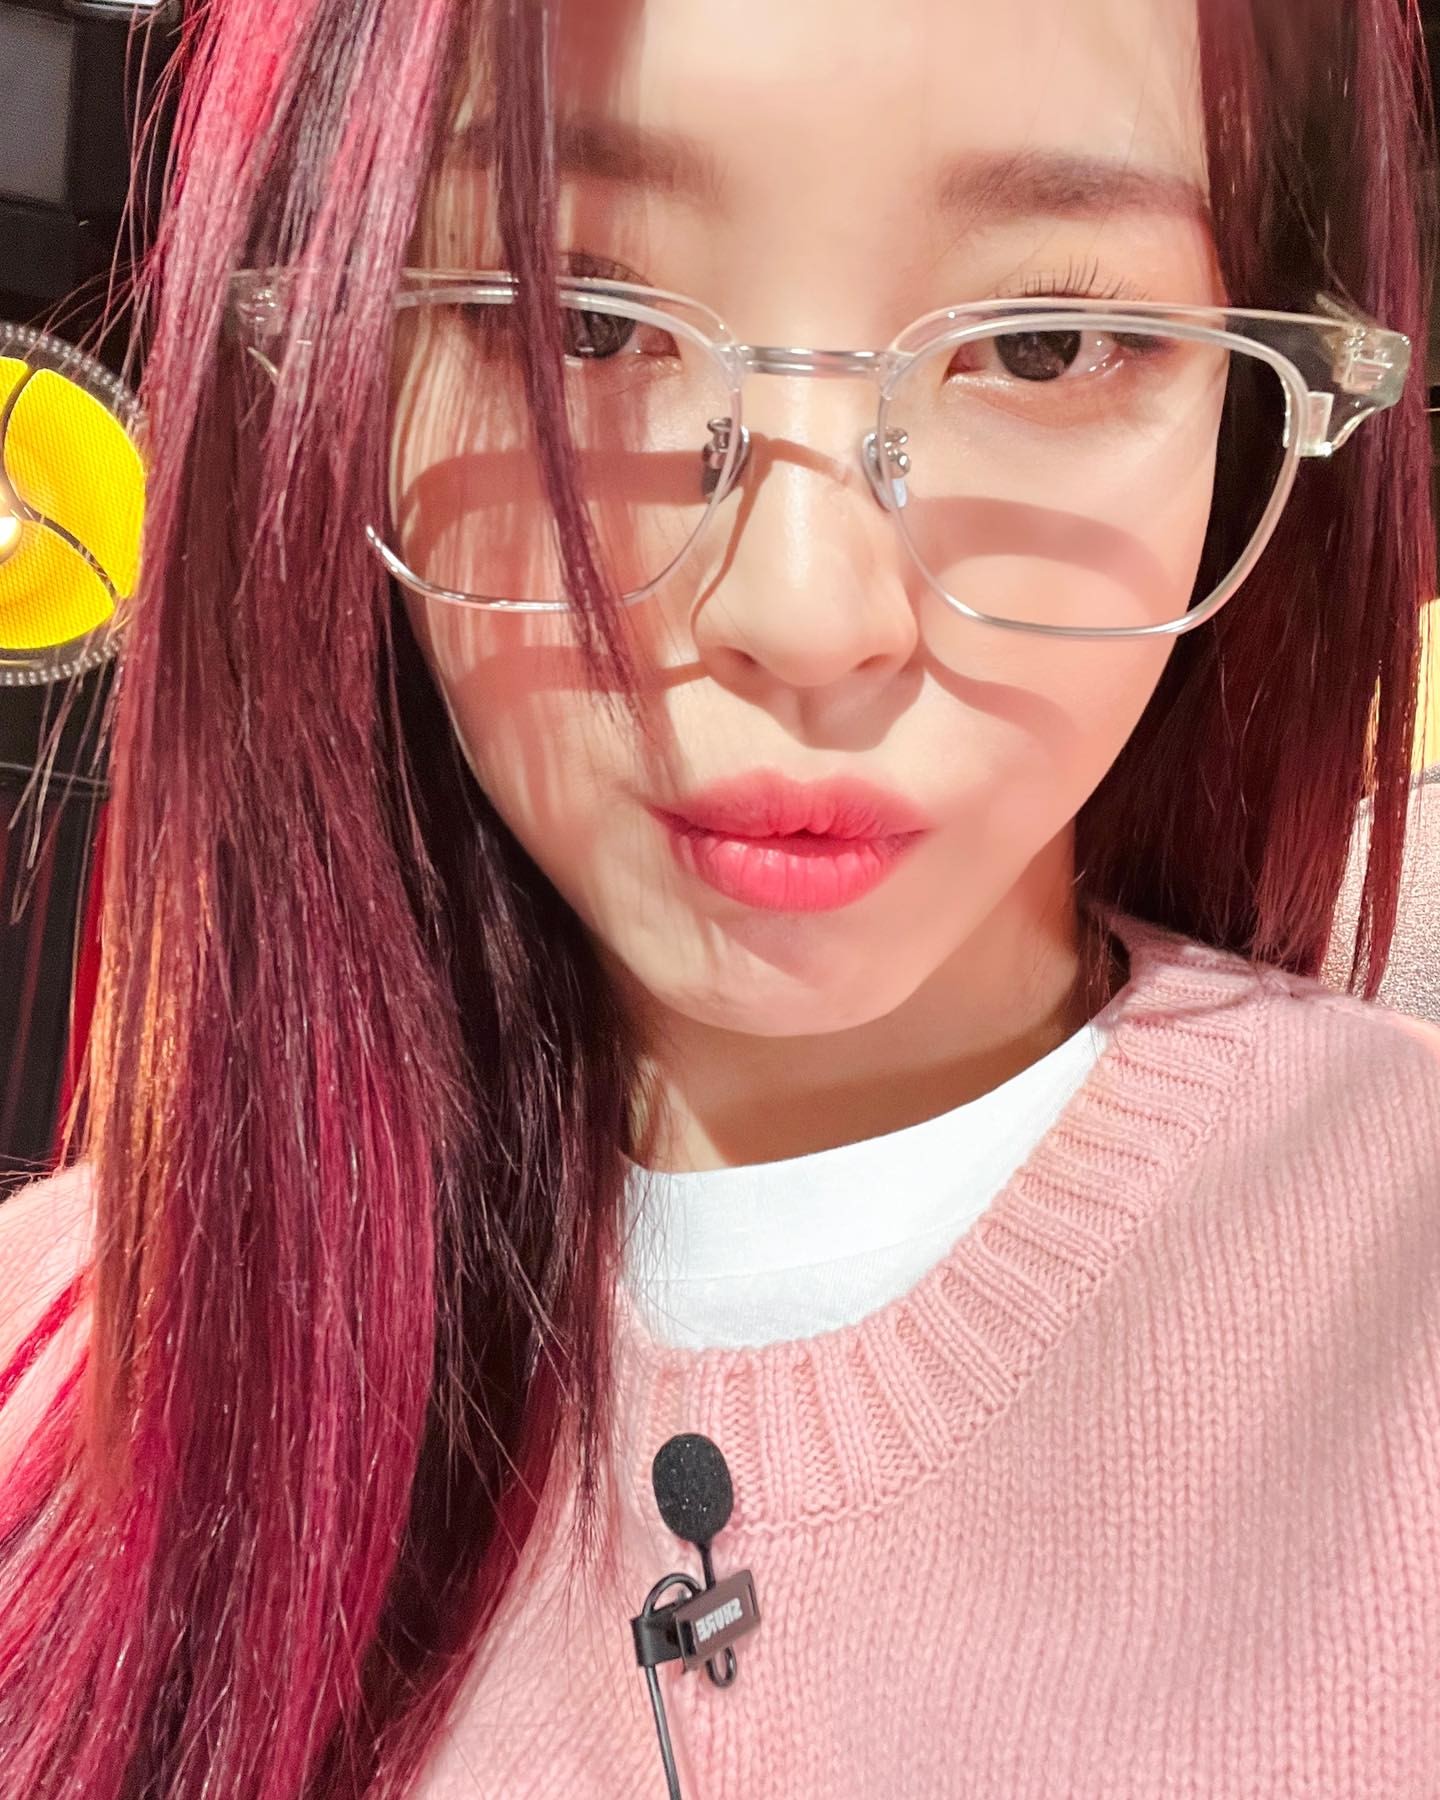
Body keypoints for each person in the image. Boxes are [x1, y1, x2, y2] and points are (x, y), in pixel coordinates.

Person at [1, 0, 1438, 1793]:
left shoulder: (1393, 1303)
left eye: (1047, 341)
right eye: (579, 322)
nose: (804, 614)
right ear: (332, 364)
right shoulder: (58, 1388)